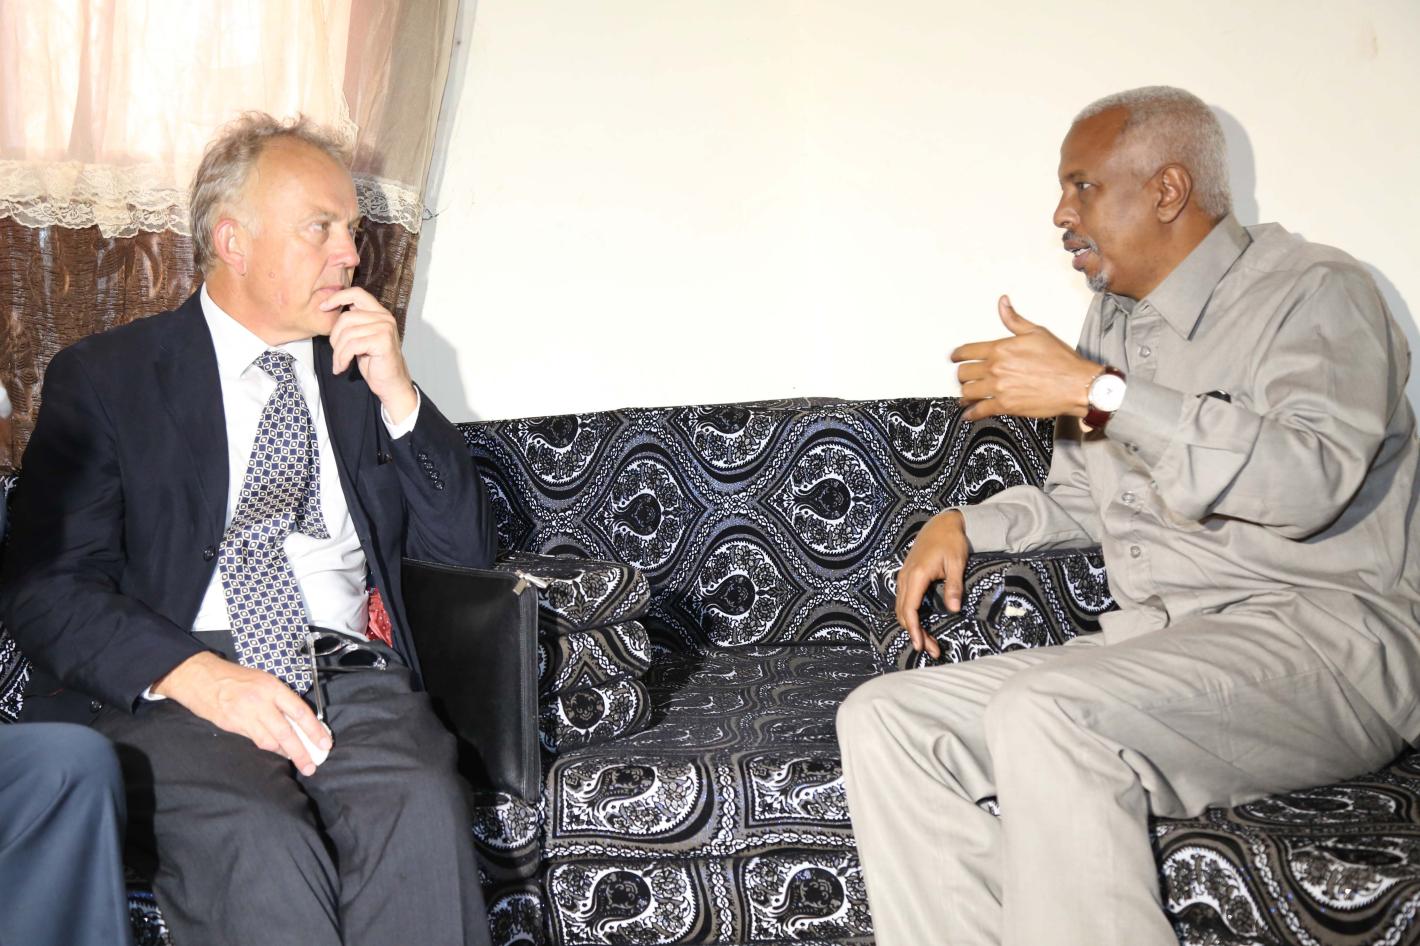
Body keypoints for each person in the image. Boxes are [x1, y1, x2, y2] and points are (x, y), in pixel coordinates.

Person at [836, 85, 1420, 946]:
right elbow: (1084, 498)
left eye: (1081, 186)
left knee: (1046, 711)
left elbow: (1309, 483)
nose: (1060, 214)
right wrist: (965, 522)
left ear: (1167, 190)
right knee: (887, 720)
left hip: (1327, 649)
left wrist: (1101, 393)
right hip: (1164, 647)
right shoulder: (1113, 321)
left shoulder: (1321, 293)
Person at [1, 113, 496, 946]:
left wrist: (403, 398)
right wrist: (195, 675)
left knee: (417, 807)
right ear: (233, 241)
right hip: (180, 684)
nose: (350, 255)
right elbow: (47, 586)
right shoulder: (110, 378)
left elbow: (464, 559)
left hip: (351, 678)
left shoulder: (362, 378)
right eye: (321, 228)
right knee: (257, 838)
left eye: (353, 230)